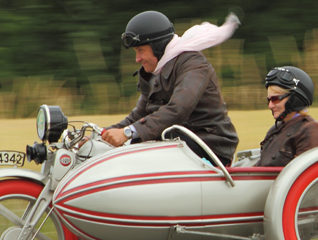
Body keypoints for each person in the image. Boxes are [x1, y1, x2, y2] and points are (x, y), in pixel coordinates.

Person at [102, 10, 240, 166]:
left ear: (158, 46)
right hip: (177, 141)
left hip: (210, 147)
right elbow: (139, 116)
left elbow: (178, 109)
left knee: (135, 149)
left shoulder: (193, 64)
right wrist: (101, 135)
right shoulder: (156, 71)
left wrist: (128, 133)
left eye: (141, 50)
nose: (137, 59)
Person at [258, 66, 318, 167]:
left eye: (275, 99)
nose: (270, 105)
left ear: (295, 99)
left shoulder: (309, 129)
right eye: (268, 100)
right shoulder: (275, 129)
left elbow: (305, 173)